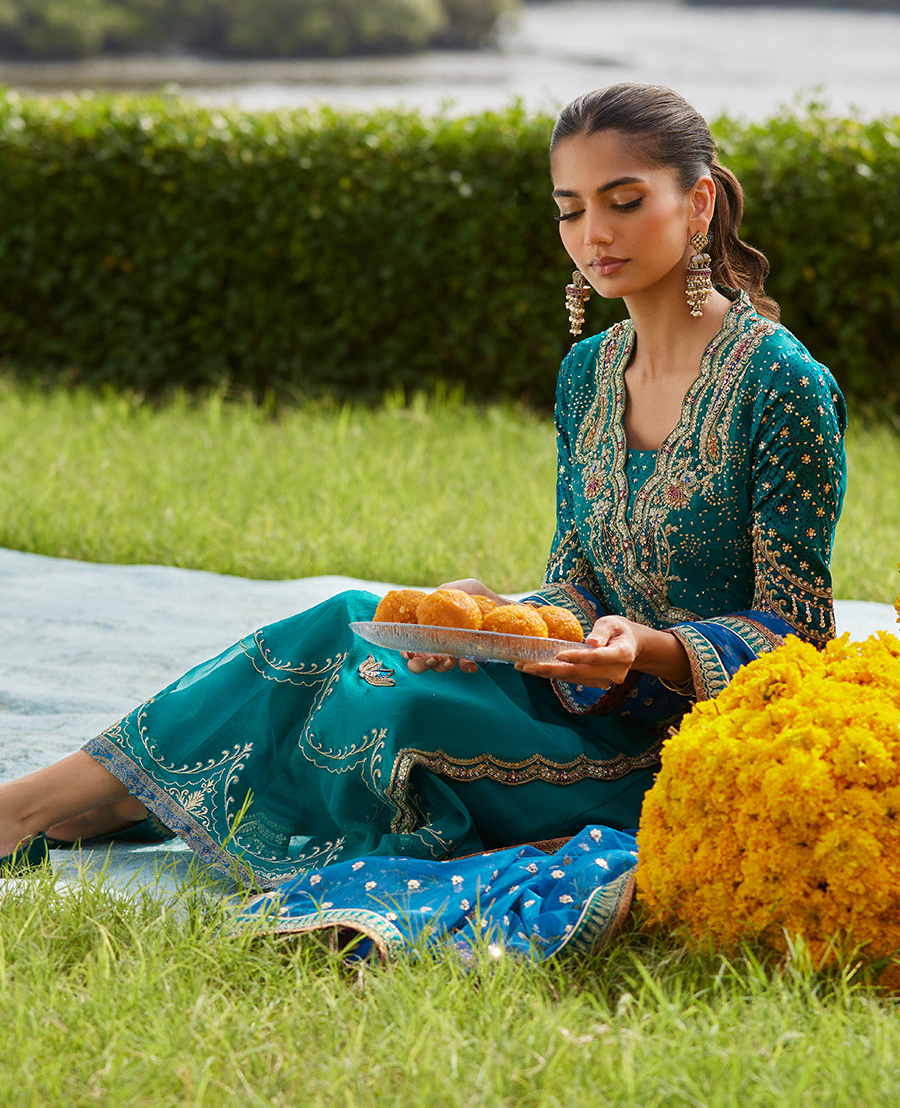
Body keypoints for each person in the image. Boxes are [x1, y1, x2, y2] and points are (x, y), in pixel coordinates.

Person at [0, 84, 846, 954]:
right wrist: (501, 616)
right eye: (570, 209)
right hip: (574, 688)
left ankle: (87, 805)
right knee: (350, 624)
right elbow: (578, 580)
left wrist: (653, 650)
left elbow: (801, 632)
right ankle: (44, 805)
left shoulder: (782, 388)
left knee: (395, 710)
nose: (595, 233)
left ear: (698, 200)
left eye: (624, 201)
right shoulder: (589, 375)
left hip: (673, 748)